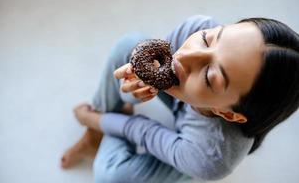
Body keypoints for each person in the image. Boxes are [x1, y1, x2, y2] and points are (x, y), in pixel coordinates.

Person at [60, 15, 299, 183]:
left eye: (210, 75)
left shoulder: (211, 157)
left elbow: (145, 131)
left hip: (190, 149)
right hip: (187, 102)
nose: (184, 56)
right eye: (208, 39)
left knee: (112, 177)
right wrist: (146, 80)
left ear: (227, 113)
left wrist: (91, 118)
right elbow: (158, 61)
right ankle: (94, 138)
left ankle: (98, 129)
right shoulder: (198, 27)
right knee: (128, 45)